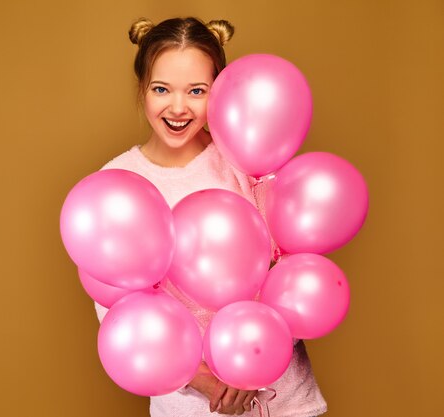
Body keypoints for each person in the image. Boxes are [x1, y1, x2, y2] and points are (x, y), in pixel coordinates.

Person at [94, 17, 327, 417]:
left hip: (283, 399)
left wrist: (253, 367)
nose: (179, 107)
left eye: (197, 91)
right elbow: (118, 314)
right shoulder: (116, 185)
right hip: (190, 406)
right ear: (142, 89)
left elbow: (294, 270)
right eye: (161, 89)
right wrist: (207, 379)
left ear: (218, 91)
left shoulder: (245, 159)